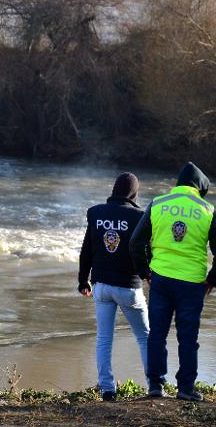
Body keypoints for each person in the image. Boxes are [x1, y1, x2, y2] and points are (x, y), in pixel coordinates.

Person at [130, 162, 216, 401]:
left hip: (161, 280)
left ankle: (156, 385)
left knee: (157, 335)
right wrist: (212, 281)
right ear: (199, 187)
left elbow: (136, 243)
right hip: (193, 283)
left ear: (178, 184)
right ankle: (185, 389)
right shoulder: (207, 209)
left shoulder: (158, 204)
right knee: (188, 338)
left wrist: (146, 273)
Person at [78, 172, 151, 402]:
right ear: (134, 192)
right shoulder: (140, 216)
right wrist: (148, 275)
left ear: (114, 189)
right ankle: (155, 386)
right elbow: (145, 251)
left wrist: (83, 280)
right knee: (145, 338)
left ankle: (108, 389)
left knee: (103, 339)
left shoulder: (96, 213)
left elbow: (86, 250)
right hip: (129, 288)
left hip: (101, 287)